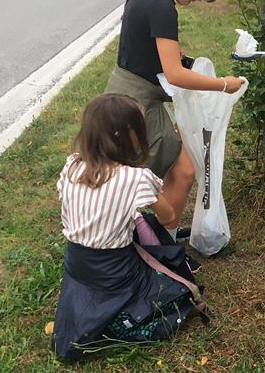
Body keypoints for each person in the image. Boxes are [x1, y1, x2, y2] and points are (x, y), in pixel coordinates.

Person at [105, 0, 244, 245]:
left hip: (121, 95)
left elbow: (146, 51)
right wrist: (223, 84)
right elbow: (175, 74)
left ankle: (155, 236)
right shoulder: (161, 6)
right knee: (181, 171)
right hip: (138, 103)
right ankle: (160, 247)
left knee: (155, 171)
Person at [52, 93, 206, 361]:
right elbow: (169, 218)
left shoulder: (73, 165)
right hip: (116, 271)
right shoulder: (136, 178)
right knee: (153, 237)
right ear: (126, 135)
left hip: (76, 265)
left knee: (137, 223)